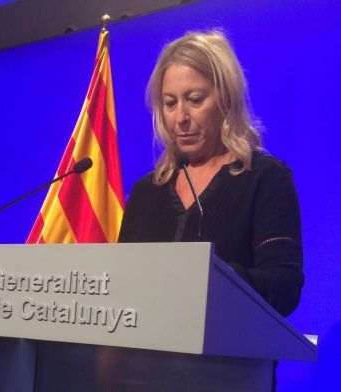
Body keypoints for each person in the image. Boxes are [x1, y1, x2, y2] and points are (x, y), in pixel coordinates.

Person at [118, 30, 303, 316]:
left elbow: (284, 287)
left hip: (230, 343)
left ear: (226, 100)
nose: (181, 118)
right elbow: (122, 283)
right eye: (170, 103)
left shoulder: (265, 178)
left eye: (195, 99)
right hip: (145, 345)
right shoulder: (146, 191)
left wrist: (208, 277)